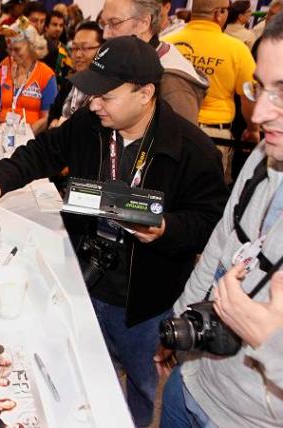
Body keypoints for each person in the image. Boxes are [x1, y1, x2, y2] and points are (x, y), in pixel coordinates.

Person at [0, 36, 228, 426]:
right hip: (82, 283)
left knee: (143, 388)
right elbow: (41, 152)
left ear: (145, 94)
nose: (93, 104)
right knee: (83, 379)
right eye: (92, 95)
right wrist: (0, 179)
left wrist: (167, 229)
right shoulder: (89, 126)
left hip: (143, 305)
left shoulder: (192, 150)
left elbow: (209, 223)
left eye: (106, 97)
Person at [157, 13, 283, 427]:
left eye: (282, 93)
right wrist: (181, 322)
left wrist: (270, 342)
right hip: (193, 382)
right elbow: (218, 250)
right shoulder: (265, 158)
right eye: (260, 88)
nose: (260, 113)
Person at [163, 0, 260, 183]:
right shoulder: (236, 49)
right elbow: (249, 96)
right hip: (215, 136)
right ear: (219, 13)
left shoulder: (167, 42)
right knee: (206, 196)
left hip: (171, 131)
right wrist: (252, 128)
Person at [100, 0, 209, 126]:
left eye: (114, 23)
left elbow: (183, 142)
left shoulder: (171, 80)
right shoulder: (129, 60)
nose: (105, 34)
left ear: (144, 22)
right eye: (103, 24)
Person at [0, 17, 56, 136]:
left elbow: (47, 117)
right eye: (10, 50)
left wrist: (26, 135)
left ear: (32, 47)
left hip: (31, 138)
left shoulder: (46, 74)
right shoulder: (4, 67)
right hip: (2, 135)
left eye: (17, 49)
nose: (12, 55)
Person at [48, 21, 104, 128]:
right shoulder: (70, 83)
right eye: (74, 48)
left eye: (85, 48)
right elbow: (54, 113)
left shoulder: (106, 91)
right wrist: (54, 121)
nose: (78, 54)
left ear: (101, 50)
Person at [43, 10, 72, 81]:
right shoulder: (37, 45)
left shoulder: (65, 50)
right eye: (54, 24)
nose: (58, 29)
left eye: (61, 25)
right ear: (46, 26)